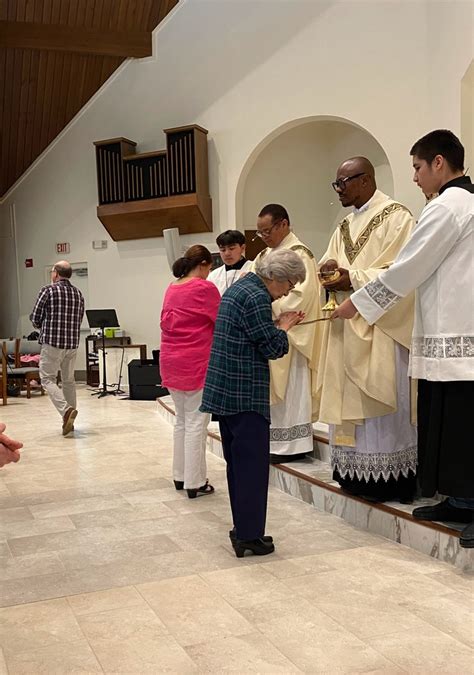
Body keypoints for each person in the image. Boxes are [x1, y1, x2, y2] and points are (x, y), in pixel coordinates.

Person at [332, 131, 474, 547]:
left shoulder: (450, 206)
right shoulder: (455, 204)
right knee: (452, 426)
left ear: (439, 164)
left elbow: (408, 267)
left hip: (458, 333)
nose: (413, 177)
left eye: (416, 166)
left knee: (466, 427)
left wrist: (358, 302)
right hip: (447, 332)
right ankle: (461, 501)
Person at [316, 157, 417, 502]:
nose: (339, 190)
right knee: (348, 400)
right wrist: (328, 271)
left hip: (381, 328)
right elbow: (332, 264)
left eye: (343, 183)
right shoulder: (344, 225)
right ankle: (354, 475)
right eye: (337, 183)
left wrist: (352, 278)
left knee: (381, 398)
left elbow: (401, 272)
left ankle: (391, 479)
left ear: (365, 179)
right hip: (348, 323)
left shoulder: (397, 217)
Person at [201, 249, 306, 557]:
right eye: (289, 284)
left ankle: (243, 528)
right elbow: (272, 346)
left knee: (238, 466)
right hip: (244, 394)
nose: (287, 292)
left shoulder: (242, 286)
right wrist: (284, 327)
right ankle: (249, 536)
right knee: (252, 468)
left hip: (227, 391)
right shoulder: (257, 296)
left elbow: (251, 331)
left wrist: (275, 323)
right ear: (276, 277)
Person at [251, 204, 321, 463]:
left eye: (267, 231)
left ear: (283, 224)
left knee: (292, 389)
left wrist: (266, 310)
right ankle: (273, 442)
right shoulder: (262, 256)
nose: (264, 237)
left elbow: (302, 296)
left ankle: (293, 445)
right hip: (268, 331)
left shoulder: (300, 253)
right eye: (259, 233)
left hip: (292, 336)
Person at [160, 245, 221, 499]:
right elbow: (222, 319)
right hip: (196, 361)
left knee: (182, 422)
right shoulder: (204, 288)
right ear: (205, 264)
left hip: (171, 361)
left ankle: (180, 475)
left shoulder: (172, 287)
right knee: (197, 422)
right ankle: (195, 482)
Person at [30, 261, 84, 436]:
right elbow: (80, 317)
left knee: (47, 379)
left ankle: (66, 410)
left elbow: (35, 317)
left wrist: (41, 324)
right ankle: (69, 420)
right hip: (72, 344)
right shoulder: (78, 293)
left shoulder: (48, 290)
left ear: (55, 274)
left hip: (52, 342)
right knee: (68, 380)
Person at [207, 230, 252, 295]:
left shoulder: (253, 269)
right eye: (223, 250)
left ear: (242, 248)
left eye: (231, 248)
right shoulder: (214, 276)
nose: (227, 253)